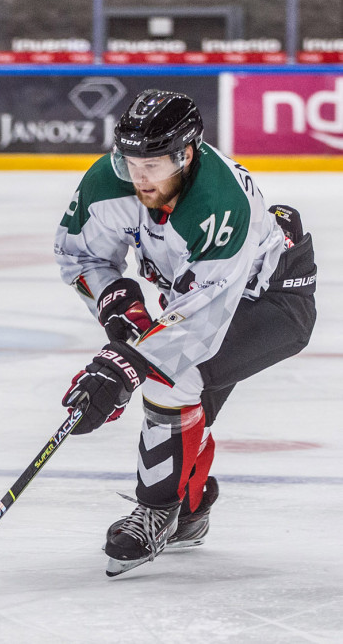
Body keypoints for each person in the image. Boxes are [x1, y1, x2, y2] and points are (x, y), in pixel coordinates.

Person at [55, 89, 316, 577]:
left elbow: (203, 323)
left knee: (171, 381)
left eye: (152, 165)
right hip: (200, 296)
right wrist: (118, 305)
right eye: (130, 161)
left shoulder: (220, 202)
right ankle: (189, 510)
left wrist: (127, 364)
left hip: (272, 298)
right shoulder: (108, 181)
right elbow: (80, 255)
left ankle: (157, 512)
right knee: (183, 408)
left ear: (186, 154)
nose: (139, 177)